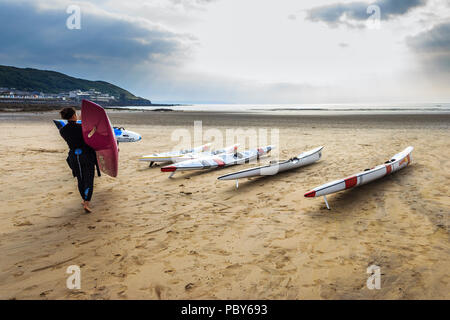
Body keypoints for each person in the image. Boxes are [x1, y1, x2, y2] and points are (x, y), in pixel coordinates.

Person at [59, 107, 100, 213]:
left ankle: (84, 199)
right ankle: (86, 202)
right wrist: (95, 128)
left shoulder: (62, 130)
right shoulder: (81, 127)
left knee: (80, 179)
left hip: (73, 156)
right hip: (85, 155)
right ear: (73, 116)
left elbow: (72, 139)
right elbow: (90, 137)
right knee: (89, 178)